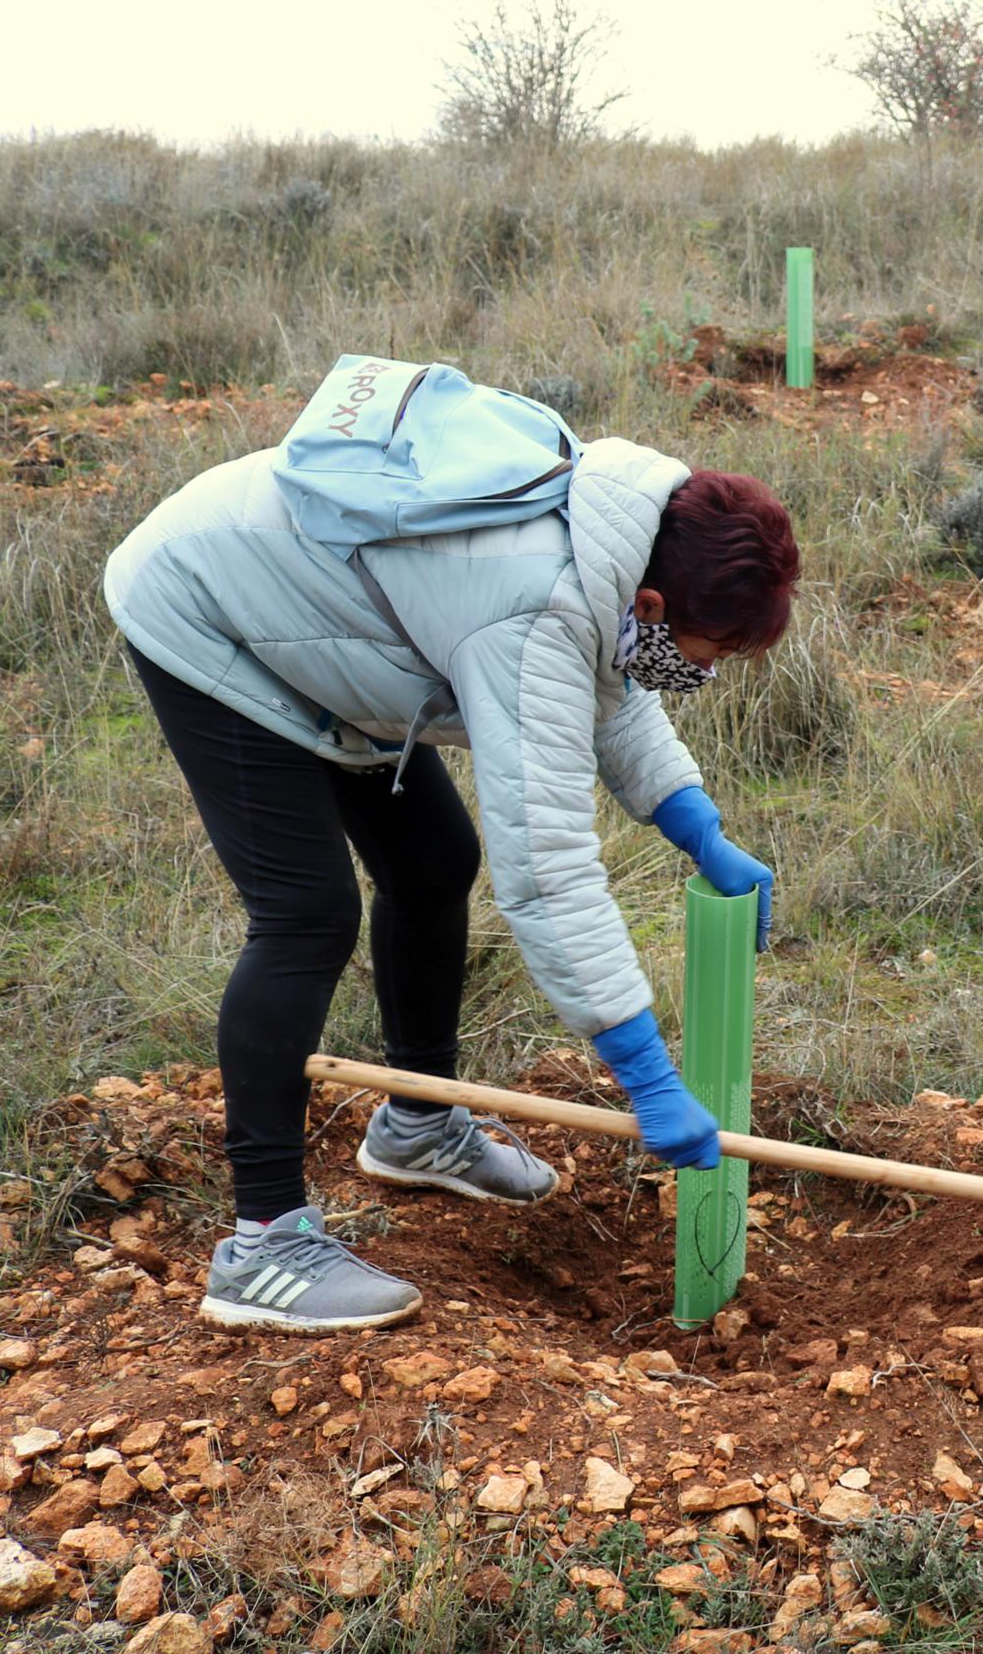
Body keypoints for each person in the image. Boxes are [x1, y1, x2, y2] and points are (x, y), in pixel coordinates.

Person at [104, 388, 801, 1333]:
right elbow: (548, 868)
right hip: (211, 610)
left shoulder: (611, 540)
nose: (706, 673)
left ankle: (418, 1127)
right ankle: (264, 1242)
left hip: (330, 618)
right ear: (651, 601)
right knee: (307, 914)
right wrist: (644, 1073)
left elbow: (609, 680)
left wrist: (696, 826)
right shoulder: (532, 610)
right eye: (710, 649)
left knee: (433, 859)